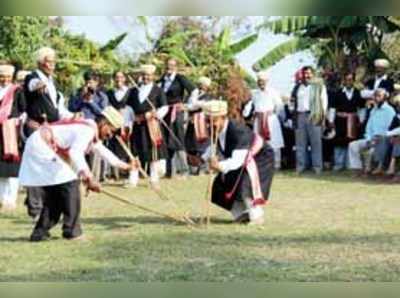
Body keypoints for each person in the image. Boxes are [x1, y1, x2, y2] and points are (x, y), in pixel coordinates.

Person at [18, 106, 136, 242]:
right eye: (111, 131)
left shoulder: (90, 130)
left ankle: (40, 232)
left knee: (58, 193)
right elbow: (75, 153)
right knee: (70, 185)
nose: (110, 135)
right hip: (41, 147)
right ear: (104, 123)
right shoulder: (87, 131)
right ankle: (72, 231)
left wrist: (127, 166)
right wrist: (89, 178)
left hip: (41, 146)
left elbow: (103, 152)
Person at [202, 100, 275, 225]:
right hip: (240, 160)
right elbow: (212, 147)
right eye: (207, 120)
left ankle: (257, 217)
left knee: (245, 183)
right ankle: (242, 214)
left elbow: (238, 160)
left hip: (259, 159)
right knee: (220, 185)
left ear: (223, 118)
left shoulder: (237, 130)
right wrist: (203, 159)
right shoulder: (216, 129)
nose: (209, 124)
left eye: (213, 120)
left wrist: (219, 166)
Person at [23, 47, 73, 220]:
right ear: (41, 62)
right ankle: (35, 208)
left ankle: (47, 206)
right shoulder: (32, 77)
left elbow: (59, 109)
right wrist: (38, 84)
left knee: (51, 166)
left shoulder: (53, 83)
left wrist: (73, 116)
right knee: (37, 166)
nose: (52, 64)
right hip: (37, 128)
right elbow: (31, 86)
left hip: (52, 128)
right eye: (49, 61)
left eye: (53, 61)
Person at [127, 64, 168, 185]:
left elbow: (164, 107)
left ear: (153, 76)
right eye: (144, 75)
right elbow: (129, 107)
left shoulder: (158, 90)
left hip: (151, 126)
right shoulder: (134, 90)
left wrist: (154, 115)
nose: (146, 77)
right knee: (134, 151)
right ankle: (133, 179)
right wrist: (130, 120)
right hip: (137, 125)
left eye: (148, 75)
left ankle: (154, 178)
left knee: (153, 151)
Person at [159, 58, 195, 178]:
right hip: (165, 112)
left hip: (176, 111)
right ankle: (170, 171)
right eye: (167, 65)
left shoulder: (180, 78)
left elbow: (194, 90)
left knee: (177, 138)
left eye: (172, 65)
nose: (169, 67)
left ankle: (184, 170)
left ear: (176, 67)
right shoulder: (162, 80)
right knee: (165, 138)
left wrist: (187, 105)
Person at [348, 88, 396, 175]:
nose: (376, 98)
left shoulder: (390, 111)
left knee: (371, 151)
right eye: (375, 96)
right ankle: (357, 169)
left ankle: (373, 169)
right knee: (353, 145)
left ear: (384, 97)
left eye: (379, 96)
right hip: (370, 139)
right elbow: (368, 127)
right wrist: (369, 138)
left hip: (383, 140)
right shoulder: (373, 110)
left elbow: (392, 128)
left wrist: (380, 137)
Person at [242, 71, 284, 169]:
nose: (261, 83)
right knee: (258, 142)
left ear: (267, 81)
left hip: (271, 120)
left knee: (274, 143)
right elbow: (248, 109)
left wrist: (273, 115)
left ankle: (276, 164)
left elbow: (279, 106)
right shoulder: (254, 93)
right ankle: (261, 165)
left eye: (263, 81)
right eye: (259, 81)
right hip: (258, 121)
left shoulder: (273, 92)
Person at [291, 66, 328, 174]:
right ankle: (300, 167)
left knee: (316, 143)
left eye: (309, 73)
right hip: (300, 116)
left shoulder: (319, 86)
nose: (307, 75)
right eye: (305, 73)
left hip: (314, 115)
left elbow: (324, 102)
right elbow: (292, 102)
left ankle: (317, 167)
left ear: (313, 74)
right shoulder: (297, 87)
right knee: (300, 144)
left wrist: (322, 117)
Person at [0, 64, 26, 211]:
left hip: (11, 132)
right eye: (2, 77)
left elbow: (24, 110)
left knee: (12, 167)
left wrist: (16, 120)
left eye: (8, 77)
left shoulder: (17, 91)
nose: (4, 80)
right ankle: (2, 199)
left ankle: (11, 199)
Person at [106, 71, 137, 185]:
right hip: (113, 123)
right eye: (116, 77)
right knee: (113, 147)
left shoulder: (131, 92)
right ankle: (115, 174)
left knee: (128, 147)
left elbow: (134, 106)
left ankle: (130, 173)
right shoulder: (109, 92)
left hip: (127, 123)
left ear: (124, 79)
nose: (118, 79)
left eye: (121, 77)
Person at [330, 72, 365, 171]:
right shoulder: (338, 93)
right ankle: (338, 164)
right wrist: (331, 120)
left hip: (353, 121)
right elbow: (332, 108)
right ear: (344, 81)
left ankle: (349, 164)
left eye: (351, 80)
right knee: (339, 142)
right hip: (340, 121)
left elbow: (361, 108)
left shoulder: (358, 93)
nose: (348, 82)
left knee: (351, 142)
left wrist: (361, 120)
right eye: (347, 80)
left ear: (353, 81)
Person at [185, 76, 212, 175]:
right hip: (191, 124)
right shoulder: (192, 95)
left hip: (201, 124)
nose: (201, 87)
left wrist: (191, 106)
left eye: (203, 85)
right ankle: (192, 167)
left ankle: (202, 167)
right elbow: (188, 106)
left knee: (201, 146)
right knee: (190, 146)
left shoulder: (209, 97)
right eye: (200, 85)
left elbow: (196, 106)